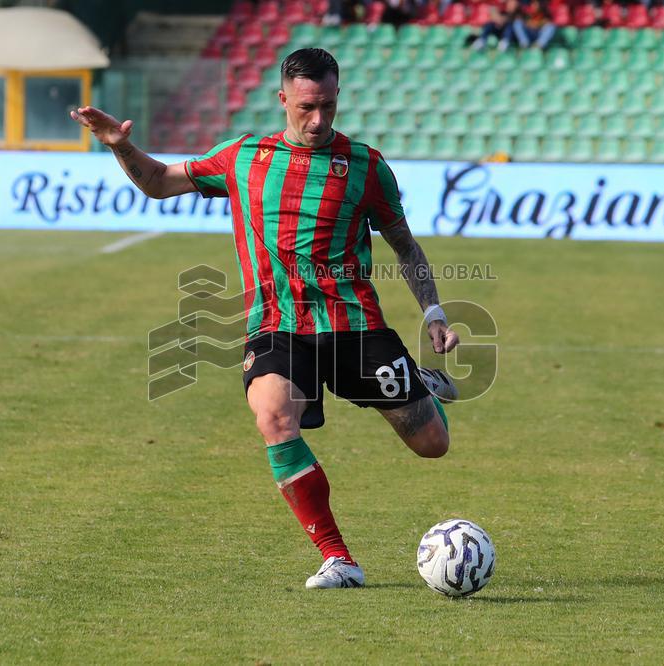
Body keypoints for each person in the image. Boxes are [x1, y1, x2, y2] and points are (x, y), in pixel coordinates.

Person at [71, 48, 459, 590]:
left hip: (354, 326)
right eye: (306, 107)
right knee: (274, 417)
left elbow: (404, 244)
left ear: (338, 97)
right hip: (277, 326)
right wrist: (122, 146)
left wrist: (434, 312)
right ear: (283, 100)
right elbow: (159, 182)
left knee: (432, 445)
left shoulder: (367, 167)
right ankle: (338, 558)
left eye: (327, 105)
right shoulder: (243, 157)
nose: (318, 119)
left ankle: (419, 382)